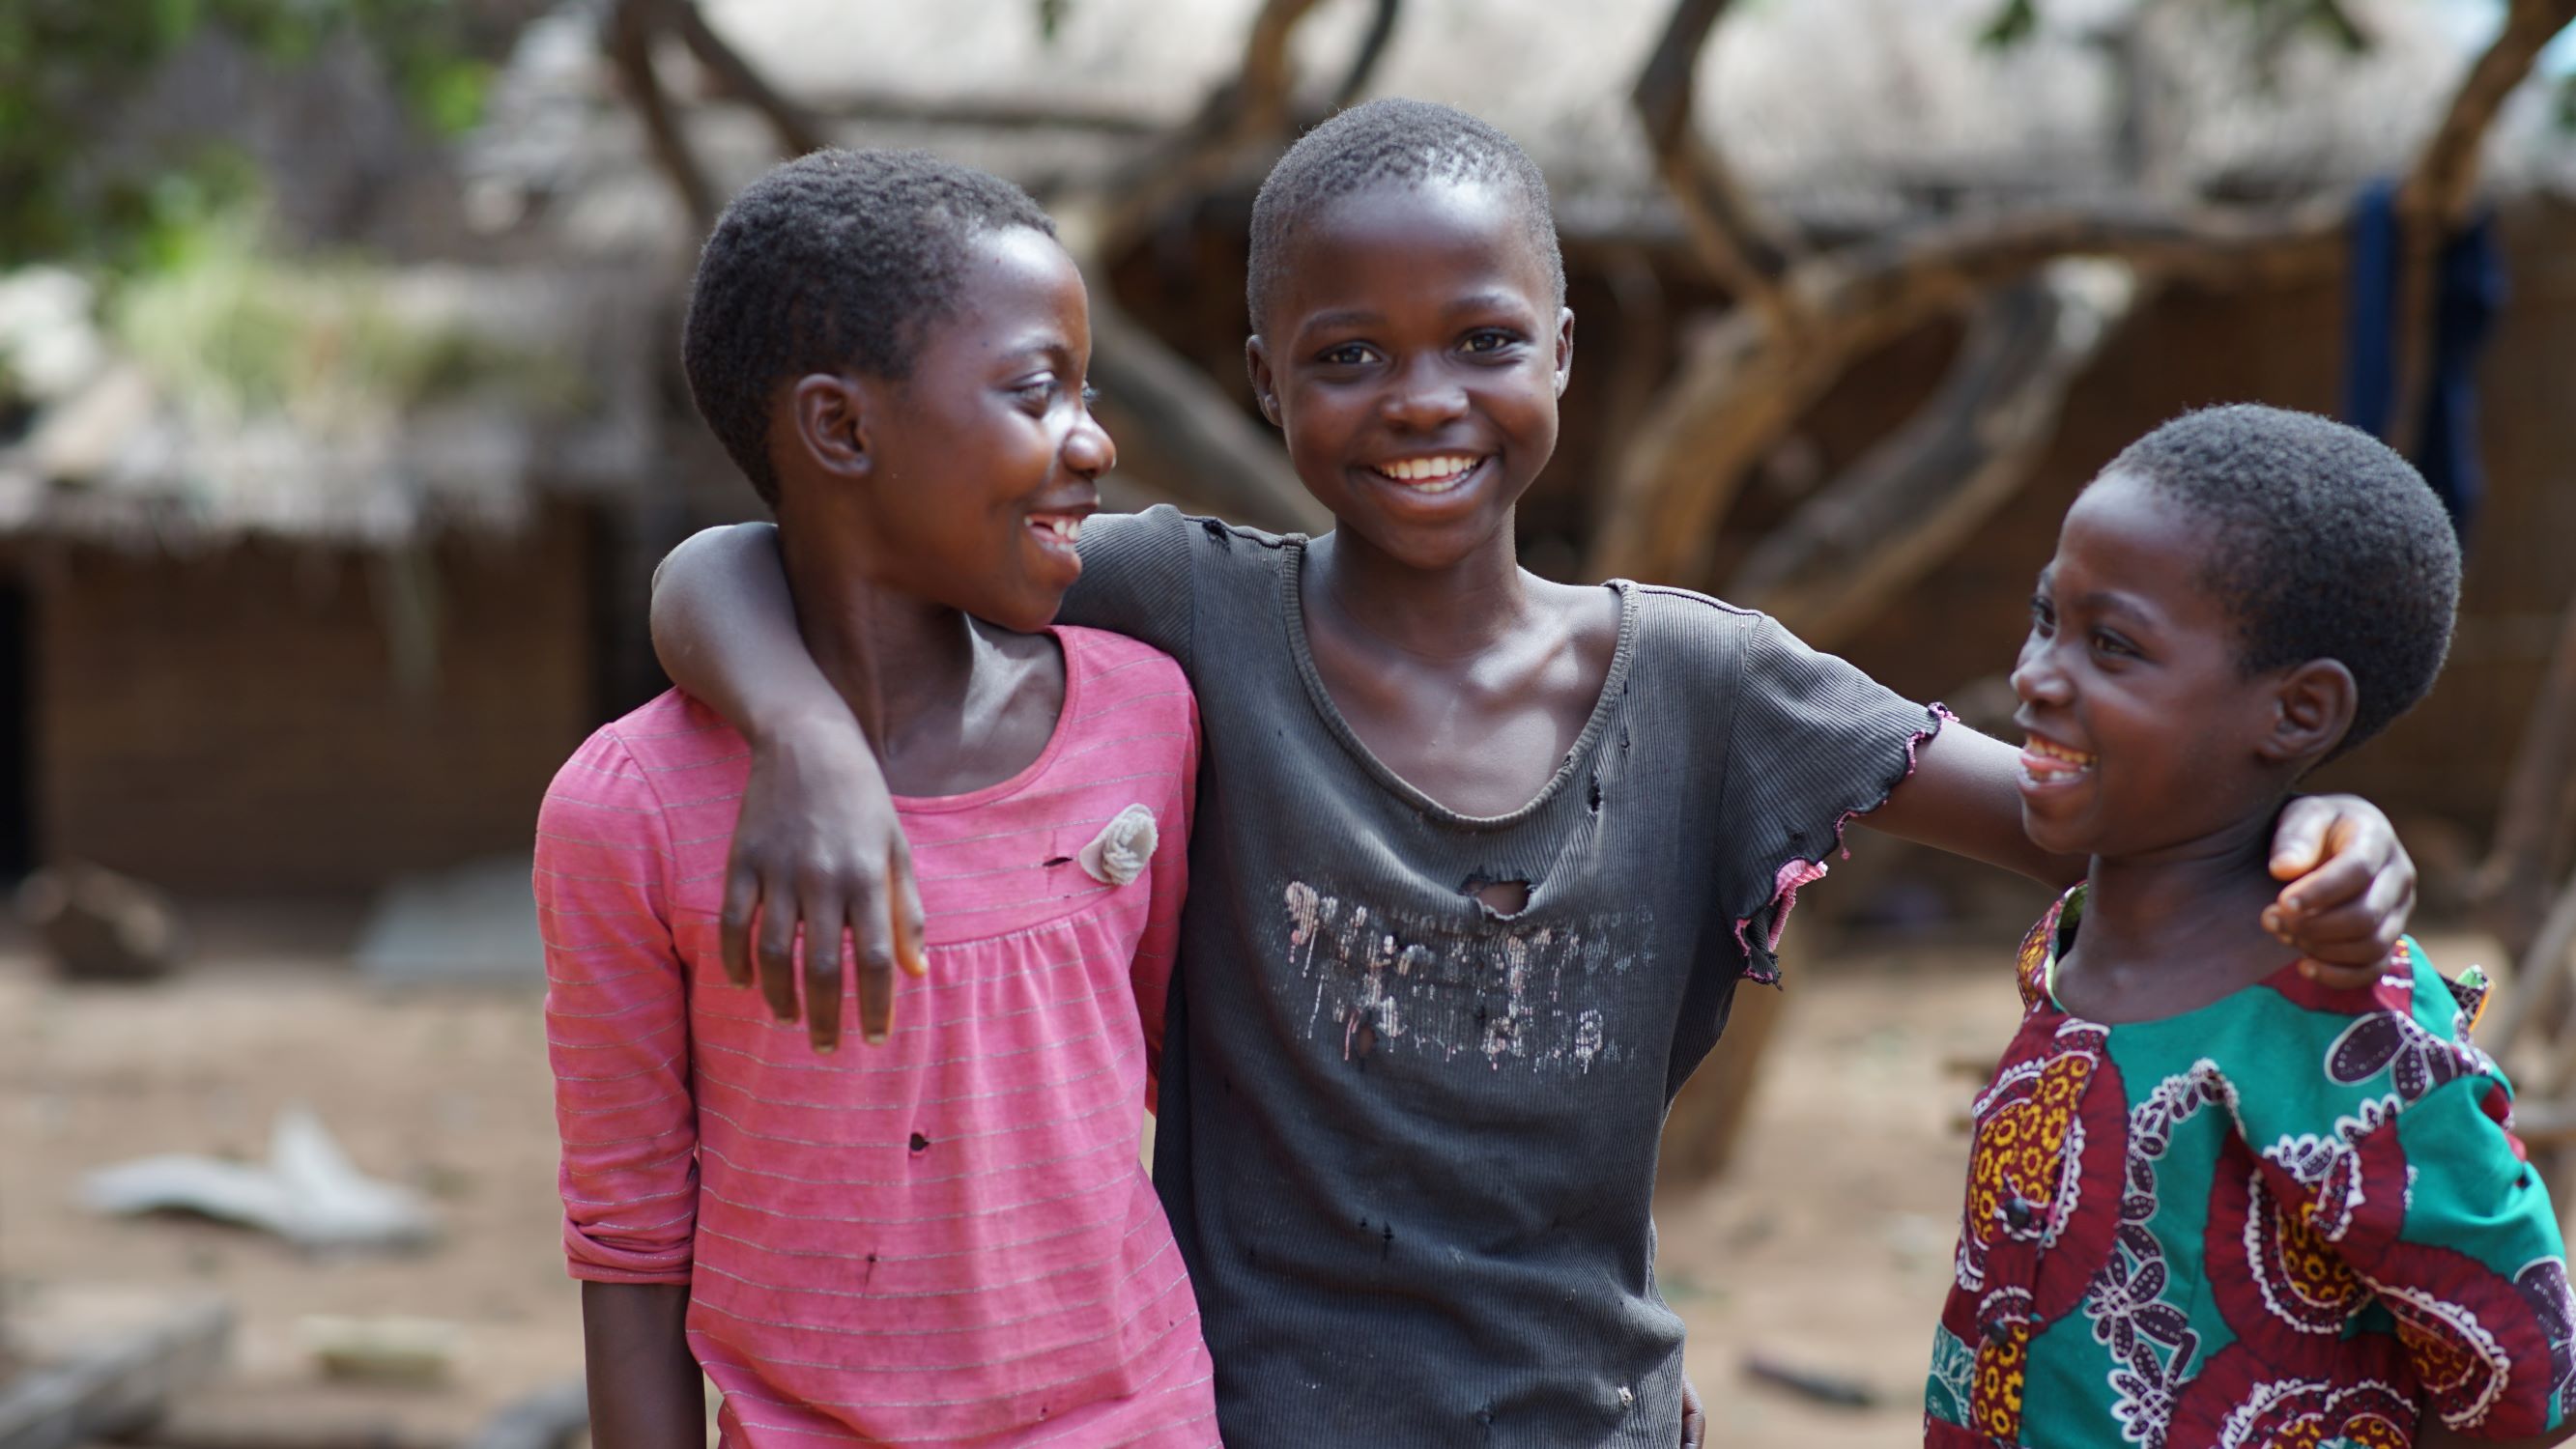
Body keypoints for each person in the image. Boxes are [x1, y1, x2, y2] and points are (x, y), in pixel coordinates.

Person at [647, 101, 2419, 1446]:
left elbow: (2076, 813)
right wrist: (804, 736)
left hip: (1592, 1419)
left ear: (1560, 355)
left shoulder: (1710, 684)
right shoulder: (1185, 608)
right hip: (1244, 1419)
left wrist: (2318, 820)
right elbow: (748, 550)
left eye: (1483, 342)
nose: (1423, 398)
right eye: (1348, 358)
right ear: (1269, 384)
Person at [536, 150, 1216, 1449]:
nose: (1094, 438)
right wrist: (804, 737)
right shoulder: (630, 810)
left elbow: (1214, 1102)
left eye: (1086, 388)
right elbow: (627, 1242)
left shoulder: (1143, 718)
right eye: (1035, 390)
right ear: (841, 429)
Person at [1925, 405, 2576, 1449]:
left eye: (2110, 645)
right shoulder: (2074, 941)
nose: (2034, 674)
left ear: (2296, 714)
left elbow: (2522, 1376)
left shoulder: (2344, 1020)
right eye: (2046, 618)